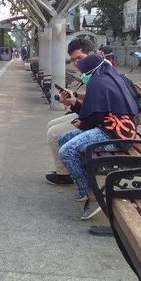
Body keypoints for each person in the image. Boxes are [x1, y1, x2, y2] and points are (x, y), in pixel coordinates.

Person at [57, 50, 138, 220]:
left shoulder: (98, 82)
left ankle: (92, 197)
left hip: (115, 134)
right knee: (64, 138)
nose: (83, 76)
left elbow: (95, 117)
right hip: (116, 128)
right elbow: (96, 114)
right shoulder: (107, 76)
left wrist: (81, 121)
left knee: (67, 151)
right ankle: (84, 184)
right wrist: (78, 111)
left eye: (83, 72)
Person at [45, 39, 96, 186]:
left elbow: (96, 112)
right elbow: (93, 102)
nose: (77, 63)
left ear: (91, 54)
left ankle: (65, 174)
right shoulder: (95, 72)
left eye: (80, 58)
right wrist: (74, 96)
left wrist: (73, 104)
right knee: (52, 124)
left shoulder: (99, 75)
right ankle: (67, 169)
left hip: (105, 125)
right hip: (99, 117)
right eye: (73, 60)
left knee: (54, 133)